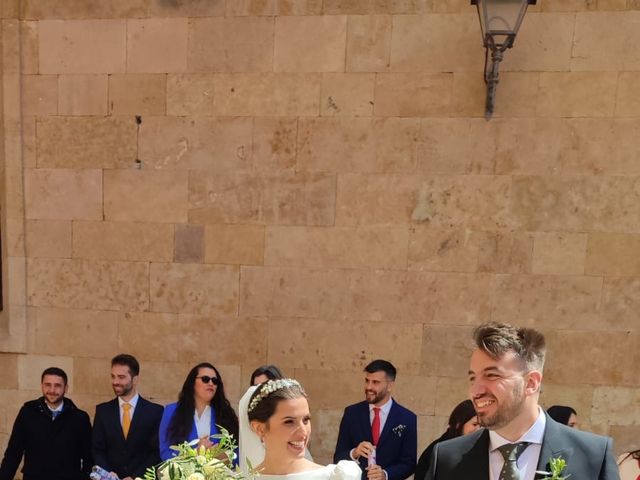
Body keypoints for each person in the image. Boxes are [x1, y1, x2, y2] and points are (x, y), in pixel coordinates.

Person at [425, 322, 620, 480]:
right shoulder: (446, 459)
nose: (475, 391)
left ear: (531, 383)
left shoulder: (593, 456)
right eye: (473, 378)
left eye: (492, 376)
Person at [244, 378, 360, 479]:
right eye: (289, 422)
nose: (303, 432)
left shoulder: (333, 477)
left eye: (306, 420)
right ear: (259, 428)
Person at [0, 367, 92, 480]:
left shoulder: (80, 418)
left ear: (66, 388)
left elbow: (89, 457)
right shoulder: (27, 412)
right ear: (42, 386)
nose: (52, 390)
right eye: (47, 385)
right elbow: (13, 453)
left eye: (57, 385)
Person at [334, 360, 417, 480]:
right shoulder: (351, 413)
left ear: (390, 386)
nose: (369, 387)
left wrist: (386, 475)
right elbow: (338, 457)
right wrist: (354, 453)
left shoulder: (408, 419)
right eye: (367, 381)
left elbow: (409, 463)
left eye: (375, 382)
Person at [92, 354, 163, 479]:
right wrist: (108, 473)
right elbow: (97, 449)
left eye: (121, 377)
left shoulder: (155, 412)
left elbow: (156, 452)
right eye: (113, 376)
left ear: (135, 380)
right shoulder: (103, 411)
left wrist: (136, 477)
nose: (115, 382)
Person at [158, 362, 239, 461]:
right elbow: (165, 451)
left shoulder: (226, 414)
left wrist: (217, 456)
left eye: (214, 381)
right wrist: (195, 453)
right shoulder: (171, 411)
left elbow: (236, 452)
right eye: (205, 379)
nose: (211, 383)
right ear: (192, 382)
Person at [414, 400, 480, 480]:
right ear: (458, 424)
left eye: (483, 425)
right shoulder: (440, 451)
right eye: (475, 424)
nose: (479, 429)